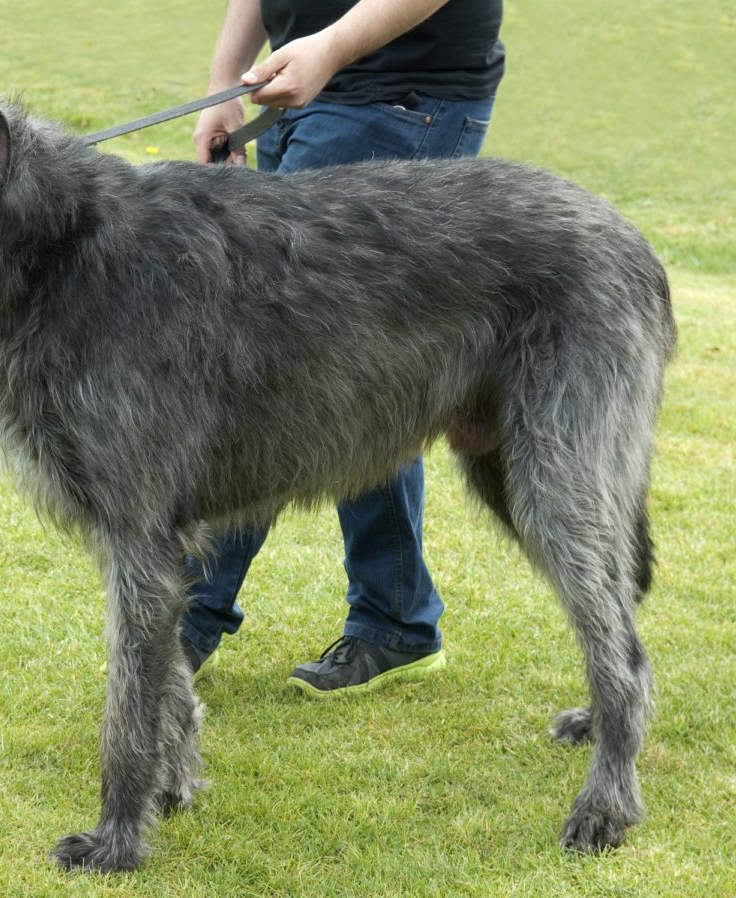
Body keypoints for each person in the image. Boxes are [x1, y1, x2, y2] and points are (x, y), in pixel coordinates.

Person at [184, 0, 505, 696]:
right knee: (360, 372)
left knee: (279, 378)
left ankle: (181, 623)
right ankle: (396, 617)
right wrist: (224, 85)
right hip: (299, 88)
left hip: (397, 97)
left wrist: (329, 46)